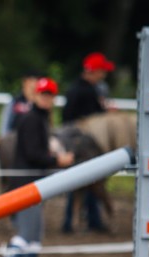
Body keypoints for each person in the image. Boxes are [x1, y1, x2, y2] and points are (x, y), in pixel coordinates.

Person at [0, 77, 74, 257]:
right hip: (27, 187)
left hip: (34, 186)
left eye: (49, 95)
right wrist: (58, 160)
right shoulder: (32, 120)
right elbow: (32, 154)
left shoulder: (39, 120)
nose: (46, 98)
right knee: (25, 236)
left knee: (34, 237)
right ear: (37, 95)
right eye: (43, 94)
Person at [61, 52, 115, 233]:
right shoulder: (86, 91)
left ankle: (80, 220)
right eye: (101, 72)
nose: (103, 76)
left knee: (85, 181)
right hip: (82, 146)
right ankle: (84, 221)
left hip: (79, 144)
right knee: (87, 180)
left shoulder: (77, 89)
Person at [0, 70, 41, 137]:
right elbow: (5, 126)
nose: (33, 85)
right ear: (24, 82)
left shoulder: (40, 104)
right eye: (30, 83)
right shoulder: (14, 102)